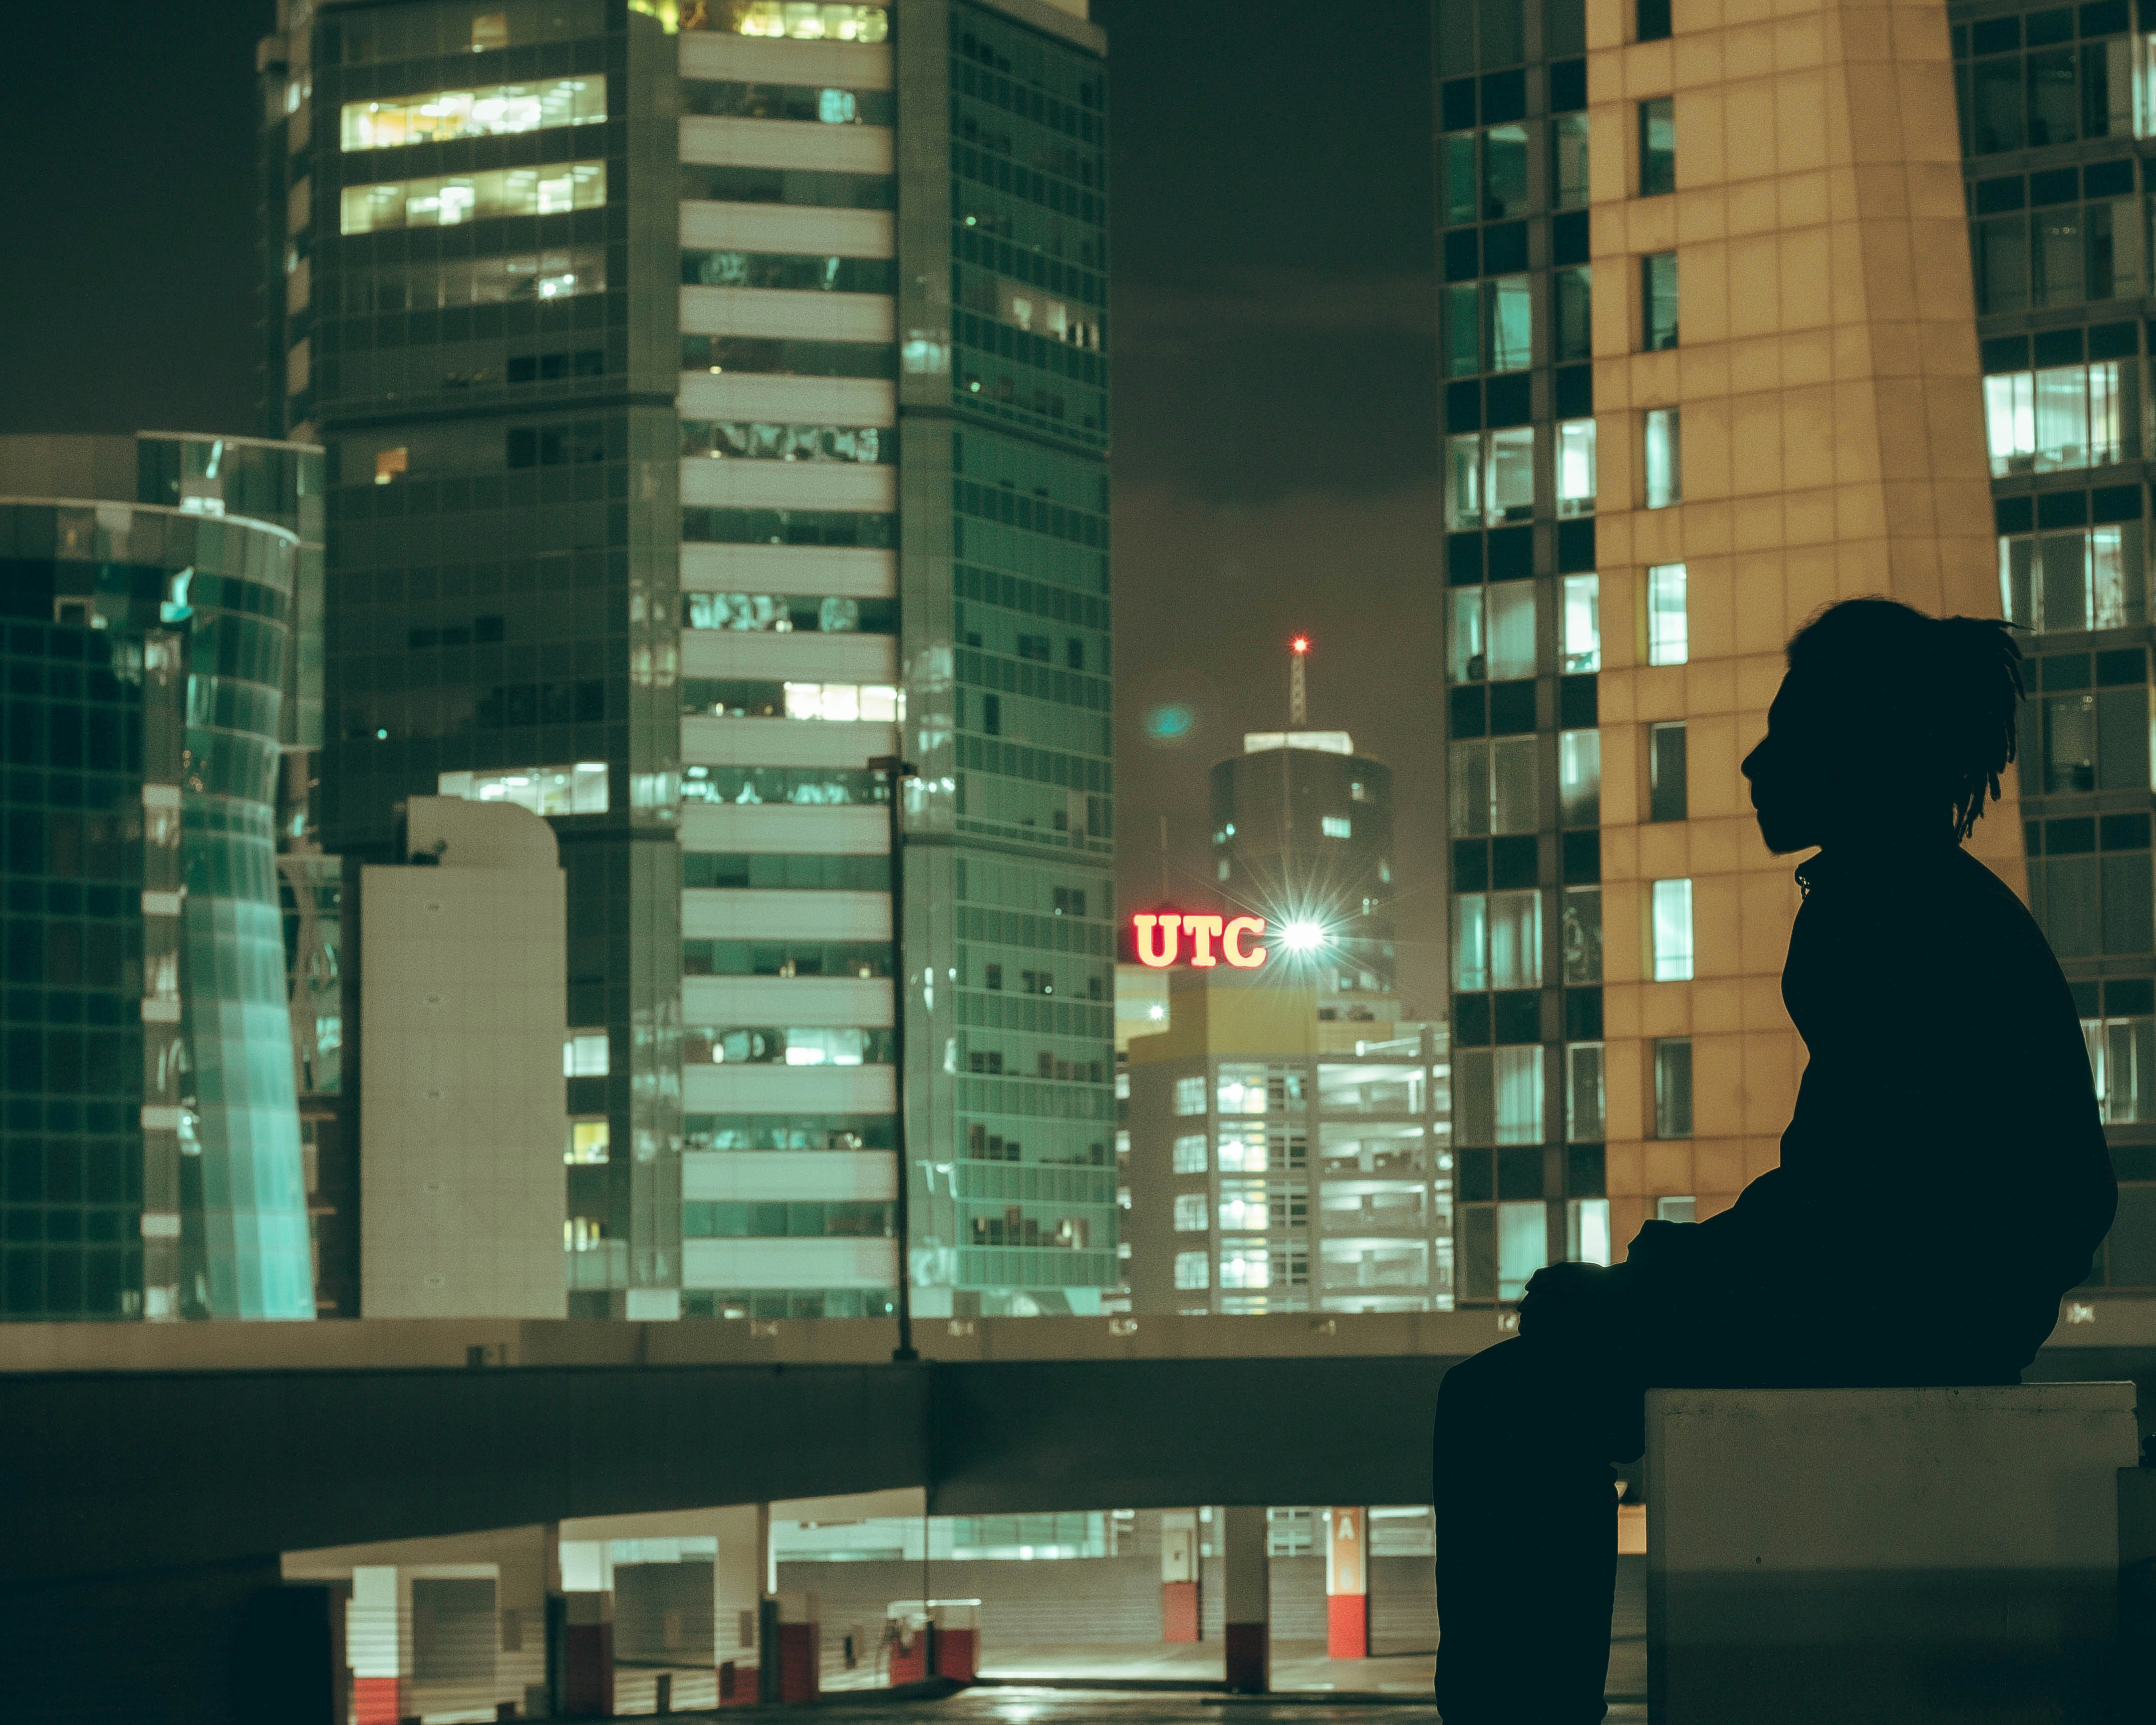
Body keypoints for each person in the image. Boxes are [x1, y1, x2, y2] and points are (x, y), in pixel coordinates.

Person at [1430, 597, 2118, 1725]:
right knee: (1541, 1369)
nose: (1753, 760)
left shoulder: (1879, 911)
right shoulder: (1938, 902)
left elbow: (1853, 1211)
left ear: (1856, 750)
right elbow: (1872, 1188)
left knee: (1505, 1403)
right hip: (1945, 1305)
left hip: (1901, 1315)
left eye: (1786, 732)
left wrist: (1653, 1283)